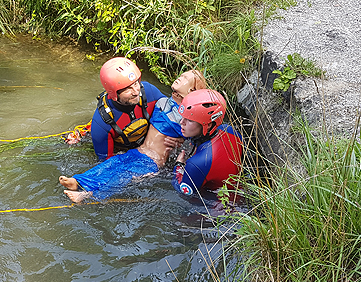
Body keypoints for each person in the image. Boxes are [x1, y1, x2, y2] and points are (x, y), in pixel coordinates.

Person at [59, 69, 207, 202]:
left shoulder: (187, 116)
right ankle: (79, 181)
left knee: (123, 176)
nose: (179, 78)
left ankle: (87, 194)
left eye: (184, 78)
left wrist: (181, 143)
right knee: (112, 163)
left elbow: (197, 138)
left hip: (154, 161)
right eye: (180, 75)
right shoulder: (163, 101)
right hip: (139, 151)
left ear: (192, 90)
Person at [172, 89, 245, 200]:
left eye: (190, 120)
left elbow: (183, 192)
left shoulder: (196, 164)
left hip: (216, 207)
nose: (181, 122)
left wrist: (179, 165)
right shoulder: (230, 131)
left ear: (209, 125)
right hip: (236, 193)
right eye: (183, 117)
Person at [90, 56, 167, 160]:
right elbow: (105, 161)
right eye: (128, 89)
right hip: (123, 151)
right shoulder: (102, 124)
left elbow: (173, 113)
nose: (136, 92)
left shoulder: (149, 92)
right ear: (114, 94)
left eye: (136, 83)